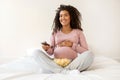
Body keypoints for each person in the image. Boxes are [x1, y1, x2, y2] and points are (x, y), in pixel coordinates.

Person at [32, 4, 94, 74]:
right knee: (36, 53)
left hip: (72, 63)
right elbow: (51, 52)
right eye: (61, 16)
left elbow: (85, 51)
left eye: (66, 15)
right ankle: (65, 72)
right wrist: (47, 49)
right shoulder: (55, 32)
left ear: (71, 17)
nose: (63, 18)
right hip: (56, 62)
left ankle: (54, 70)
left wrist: (71, 45)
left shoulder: (78, 32)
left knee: (90, 54)